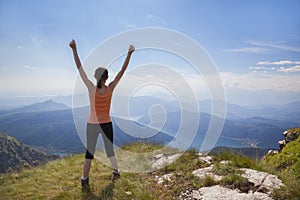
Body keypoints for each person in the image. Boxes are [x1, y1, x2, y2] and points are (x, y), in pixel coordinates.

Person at [69, 39, 135, 191]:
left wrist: (74, 49)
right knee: (109, 150)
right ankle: (116, 172)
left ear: (95, 77)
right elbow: (122, 71)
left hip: (91, 124)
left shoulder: (91, 89)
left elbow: (80, 69)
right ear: (106, 78)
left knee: (89, 153)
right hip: (106, 124)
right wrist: (129, 53)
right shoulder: (110, 88)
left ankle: (84, 179)